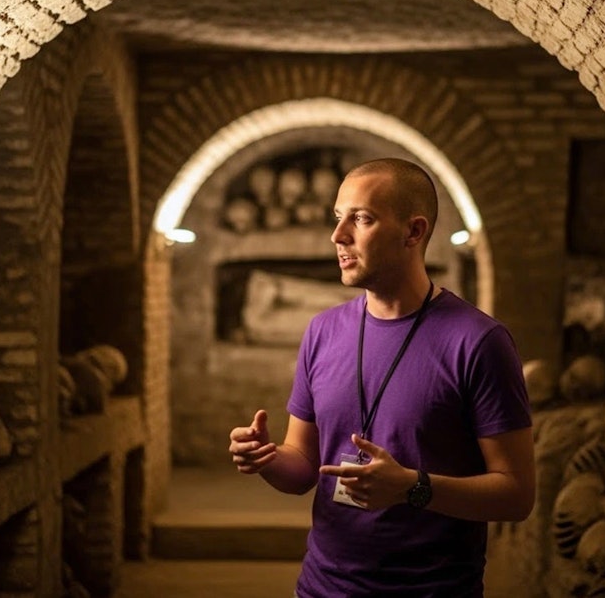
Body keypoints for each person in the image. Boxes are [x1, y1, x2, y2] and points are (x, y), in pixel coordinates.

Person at [229, 158, 535, 597]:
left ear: (414, 232)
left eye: (362, 219)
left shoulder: (479, 342)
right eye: (338, 218)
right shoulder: (323, 331)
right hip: (322, 588)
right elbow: (303, 466)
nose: (339, 236)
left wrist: (414, 488)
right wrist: (267, 459)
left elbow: (516, 495)